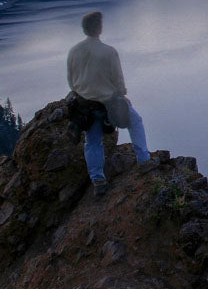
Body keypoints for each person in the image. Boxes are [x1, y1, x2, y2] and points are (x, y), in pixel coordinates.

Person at [66, 10, 154, 196]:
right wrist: (122, 96)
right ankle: (144, 160)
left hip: (85, 105)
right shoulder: (108, 52)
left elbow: (71, 81)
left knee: (92, 141)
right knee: (135, 121)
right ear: (99, 28)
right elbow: (118, 82)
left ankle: (98, 180)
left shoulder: (74, 51)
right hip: (109, 103)